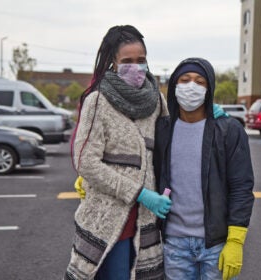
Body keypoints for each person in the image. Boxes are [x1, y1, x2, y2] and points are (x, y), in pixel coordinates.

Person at [64, 25, 172, 280]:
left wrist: (210, 119)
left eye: (141, 60)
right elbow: (85, 161)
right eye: (127, 61)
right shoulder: (98, 101)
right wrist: (139, 193)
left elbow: (172, 136)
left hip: (145, 223)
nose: (135, 67)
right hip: (108, 224)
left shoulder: (156, 100)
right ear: (113, 62)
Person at [154, 57, 255, 280]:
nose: (192, 86)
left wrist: (236, 240)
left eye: (200, 82)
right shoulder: (163, 129)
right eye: (185, 79)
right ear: (174, 86)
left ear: (209, 88)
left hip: (216, 244)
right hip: (174, 243)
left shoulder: (228, 130)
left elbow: (241, 187)